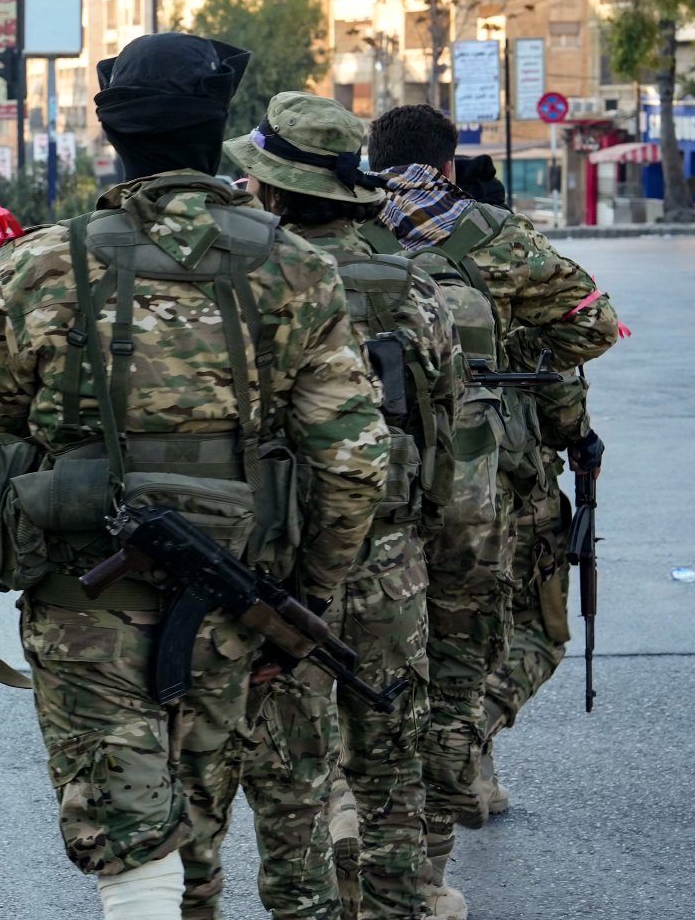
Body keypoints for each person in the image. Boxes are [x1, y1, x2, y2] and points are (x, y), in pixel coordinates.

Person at [0, 34, 389, 920]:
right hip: (233, 599)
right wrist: (301, 597)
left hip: (84, 605)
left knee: (129, 834)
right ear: (217, 133)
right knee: (195, 828)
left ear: (114, 137)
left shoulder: (42, 264)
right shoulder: (297, 268)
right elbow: (352, 460)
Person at [363, 105, 619, 919]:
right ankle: (461, 758)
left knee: (368, 650)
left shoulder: (336, 227)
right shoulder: (490, 234)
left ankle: (359, 807)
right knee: (510, 635)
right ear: (447, 164)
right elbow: (594, 325)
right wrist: (509, 352)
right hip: (485, 473)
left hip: (360, 473)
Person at [225, 92, 465, 920]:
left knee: (289, 777)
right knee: (393, 762)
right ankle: (403, 903)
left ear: (273, 190)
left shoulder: (252, 286)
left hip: (281, 565)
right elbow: (448, 424)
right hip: (390, 560)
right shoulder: (409, 285)